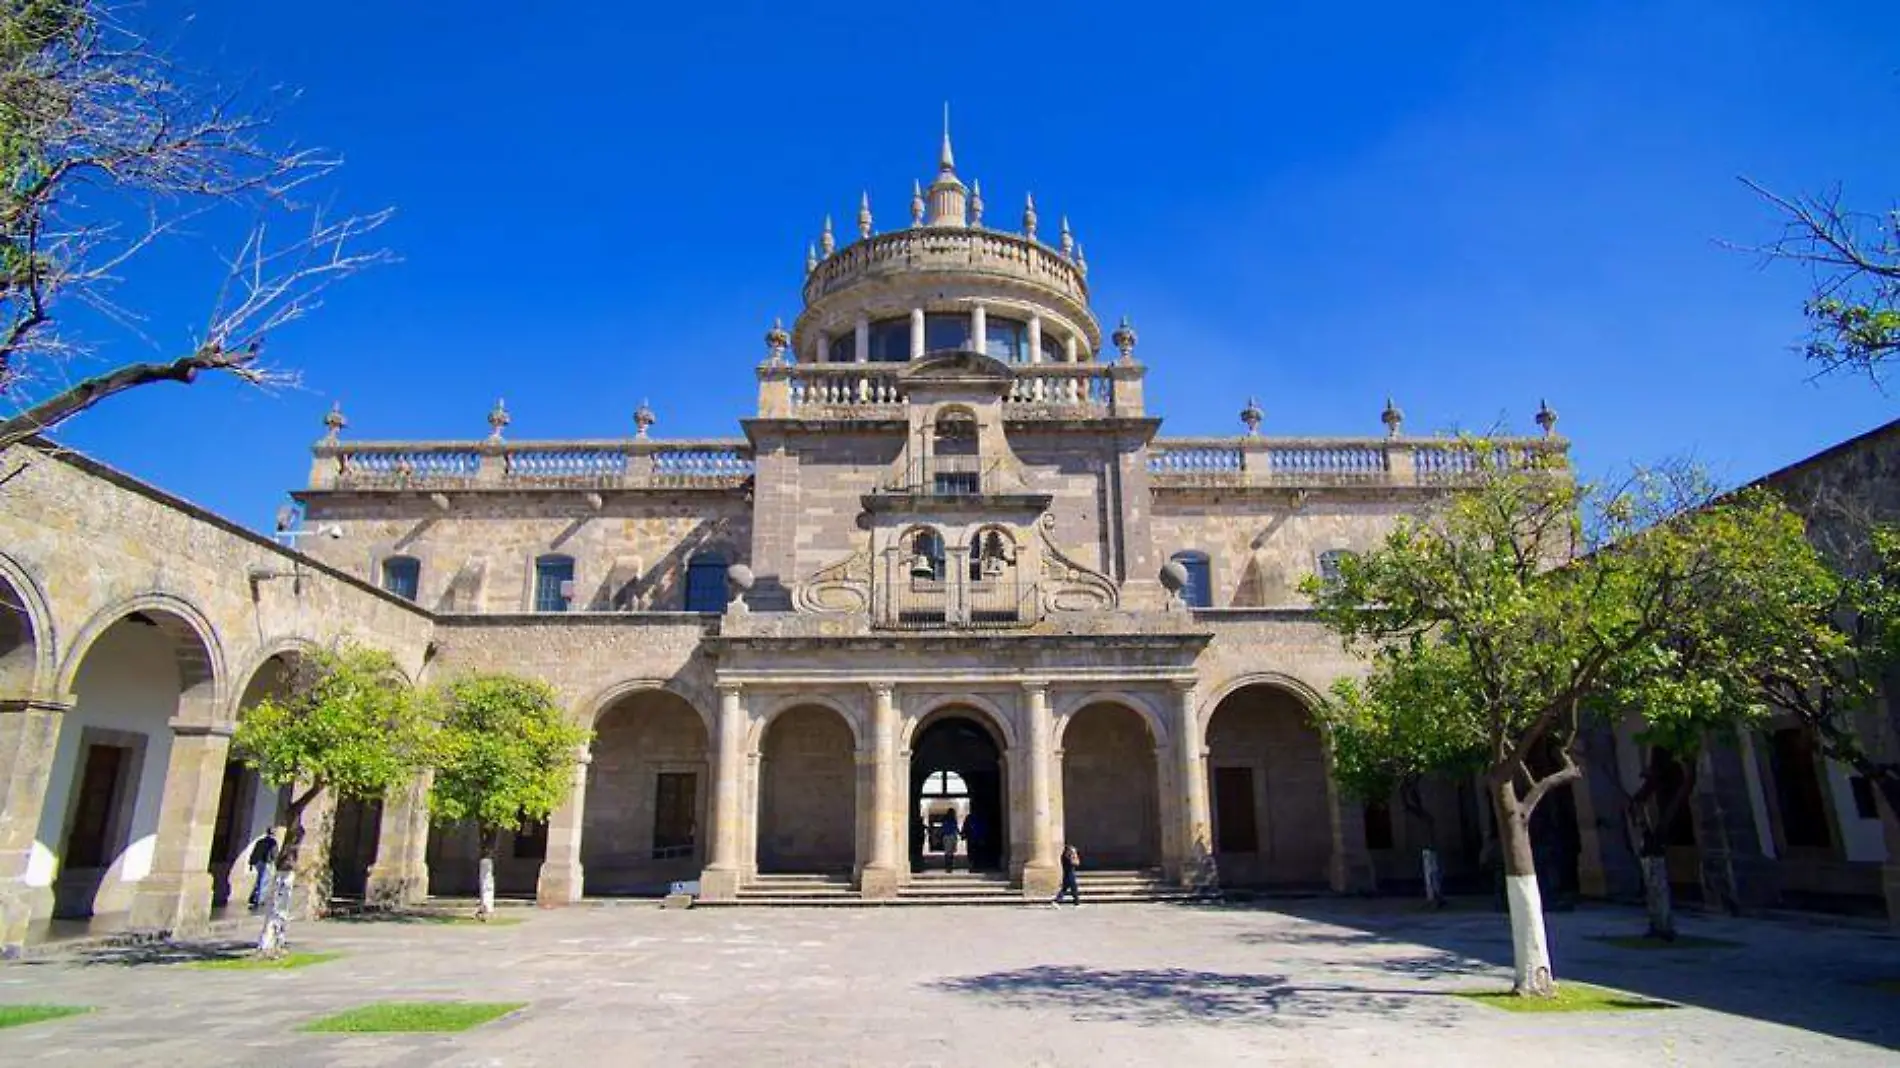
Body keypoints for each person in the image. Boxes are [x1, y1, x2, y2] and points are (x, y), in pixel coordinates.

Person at [247, 830, 280, 910]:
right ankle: (259, 899)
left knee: (259, 880)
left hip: (257, 862)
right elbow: (274, 853)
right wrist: (276, 863)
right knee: (264, 881)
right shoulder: (273, 842)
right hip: (266, 862)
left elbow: (254, 852)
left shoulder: (260, 841)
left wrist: (251, 863)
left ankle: (254, 897)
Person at [1050, 843, 1082, 908]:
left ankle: (1057, 901)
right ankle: (1076, 903)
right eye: (1073, 851)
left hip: (1068, 874)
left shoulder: (1065, 857)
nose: (1074, 852)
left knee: (1065, 889)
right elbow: (1076, 863)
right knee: (1073, 889)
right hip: (1069, 875)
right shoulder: (1067, 857)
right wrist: (1075, 856)